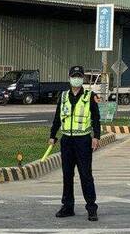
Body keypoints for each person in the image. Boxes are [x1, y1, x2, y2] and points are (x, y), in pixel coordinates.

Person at [49, 65, 101, 222]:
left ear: (83, 78)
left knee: (86, 175)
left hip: (83, 141)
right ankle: (67, 207)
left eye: (79, 76)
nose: (76, 79)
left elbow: (96, 118)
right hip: (67, 141)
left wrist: (96, 137)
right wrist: (52, 135)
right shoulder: (63, 96)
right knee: (67, 175)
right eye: (74, 76)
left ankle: (91, 208)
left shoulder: (89, 96)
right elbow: (58, 117)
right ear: (69, 77)